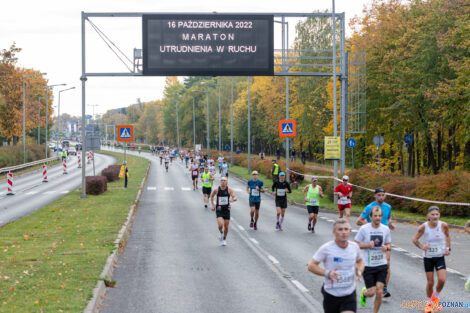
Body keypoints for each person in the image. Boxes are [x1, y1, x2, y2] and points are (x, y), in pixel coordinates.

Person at [308, 218, 364, 313]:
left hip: (349, 293)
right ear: (334, 232)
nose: (343, 232)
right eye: (340, 229)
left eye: (346, 229)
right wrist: (328, 273)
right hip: (331, 293)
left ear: (350, 231)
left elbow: (360, 261)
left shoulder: (354, 247)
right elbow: (311, 266)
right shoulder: (326, 248)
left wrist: (359, 270)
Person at [357, 187, 394, 298]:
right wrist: (369, 228)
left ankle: (384, 288)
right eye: (379, 195)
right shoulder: (369, 207)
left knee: (387, 262)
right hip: (371, 241)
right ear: (375, 196)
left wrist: (390, 224)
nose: (381, 197)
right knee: (373, 261)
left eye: (383, 195)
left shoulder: (388, 207)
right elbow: (358, 221)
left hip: (384, 239)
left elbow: (388, 218)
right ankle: (367, 290)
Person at [412, 206, 451, 312]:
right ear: (428, 216)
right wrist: (421, 246)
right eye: (432, 215)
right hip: (428, 257)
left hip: (439, 257)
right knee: (430, 283)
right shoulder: (423, 227)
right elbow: (414, 239)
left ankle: (435, 297)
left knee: (442, 280)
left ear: (439, 215)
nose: (435, 216)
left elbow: (447, 236)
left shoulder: (443, 225)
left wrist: (447, 248)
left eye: (437, 214)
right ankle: (429, 303)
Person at [355, 206, 391, 313]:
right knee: (371, 293)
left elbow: (389, 243)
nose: (377, 218)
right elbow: (356, 243)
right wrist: (366, 245)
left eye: (379, 216)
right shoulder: (364, 229)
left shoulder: (385, 229)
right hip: (368, 265)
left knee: (379, 291)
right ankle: (364, 293)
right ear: (370, 217)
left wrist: (387, 247)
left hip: (381, 264)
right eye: (375, 216)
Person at [210, 176, 237, 246]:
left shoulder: (229, 190)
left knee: (226, 227)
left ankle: (224, 239)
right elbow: (212, 197)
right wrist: (213, 205)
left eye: (224, 180)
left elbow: (234, 197)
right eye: (222, 180)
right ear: (220, 182)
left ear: (226, 182)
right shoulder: (216, 190)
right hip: (219, 209)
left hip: (227, 210)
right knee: (220, 225)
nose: (223, 182)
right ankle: (221, 233)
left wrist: (233, 199)